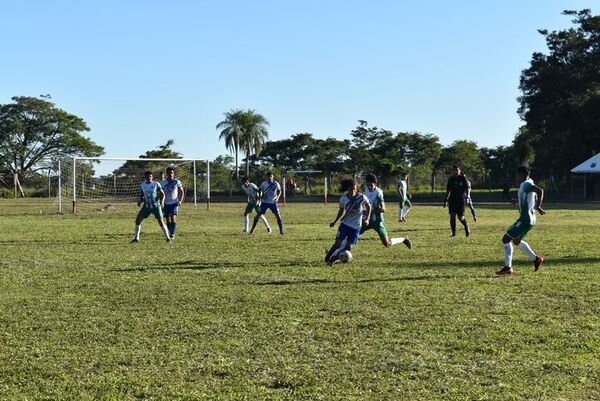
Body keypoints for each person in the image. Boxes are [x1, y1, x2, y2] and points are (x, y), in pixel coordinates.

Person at [497, 166, 545, 276]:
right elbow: (531, 197)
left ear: (522, 174)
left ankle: (507, 268)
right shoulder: (529, 182)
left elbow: (540, 191)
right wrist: (517, 200)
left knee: (506, 239)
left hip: (525, 219)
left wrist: (538, 207)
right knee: (516, 241)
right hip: (530, 219)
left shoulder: (526, 184)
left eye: (517, 175)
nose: (516, 177)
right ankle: (537, 259)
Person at [326, 179, 371, 265]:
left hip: (356, 226)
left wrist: (367, 218)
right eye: (351, 189)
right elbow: (341, 210)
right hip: (345, 224)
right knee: (337, 244)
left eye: (354, 189)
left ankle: (331, 261)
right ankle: (328, 257)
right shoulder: (343, 198)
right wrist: (335, 221)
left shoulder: (362, 197)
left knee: (348, 247)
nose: (353, 191)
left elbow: (368, 205)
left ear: (356, 188)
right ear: (347, 189)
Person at [362, 173, 412, 249]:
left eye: (371, 185)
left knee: (387, 243)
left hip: (377, 221)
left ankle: (404, 239)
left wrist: (369, 212)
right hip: (367, 219)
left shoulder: (378, 193)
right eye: (367, 185)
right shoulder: (366, 189)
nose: (369, 187)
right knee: (353, 234)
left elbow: (383, 209)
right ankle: (341, 250)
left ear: (375, 183)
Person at [131, 171, 171, 243]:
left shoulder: (156, 184)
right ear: (145, 177)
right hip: (146, 206)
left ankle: (167, 237)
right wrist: (140, 201)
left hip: (156, 206)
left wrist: (162, 202)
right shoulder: (143, 185)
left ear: (152, 177)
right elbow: (142, 194)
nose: (149, 178)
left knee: (161, 222)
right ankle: (136, 238)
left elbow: (163, 194)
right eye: (147, 176)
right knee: (138, 220)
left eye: (150, 176)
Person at [443, 165, 471, 238]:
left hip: (460, 200)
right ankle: (454, 234)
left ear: (460, 171)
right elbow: (448, 191)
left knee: (460, 217)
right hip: (452, 200)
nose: (455, 171)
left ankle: (466, 227)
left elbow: (467, 188)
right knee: (452, 216)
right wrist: (445, 200)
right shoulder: (451, 179)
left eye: (457, 170)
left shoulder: (462, 178)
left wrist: (467, 196)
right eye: (454, 170)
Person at [161, 167, 184, 239]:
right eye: (169, 172)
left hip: (174, 203)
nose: (171, 174)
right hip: (166, 203)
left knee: (173, 218)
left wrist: (180, 200)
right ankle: (169, 232)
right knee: (168, 219)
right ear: (167, 173)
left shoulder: (177, 181)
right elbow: (160, 193)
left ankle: (172, 234)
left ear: (173, 173)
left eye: (172, 172)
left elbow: (181, 191)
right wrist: (161, 202)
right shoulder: (163, 182)